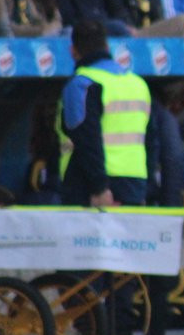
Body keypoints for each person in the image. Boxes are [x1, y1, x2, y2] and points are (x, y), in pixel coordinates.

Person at [58, 19, 152, 207]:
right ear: (108, 47)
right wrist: (144, 189)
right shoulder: (138, 84)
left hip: (95, 186)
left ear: (73, 51)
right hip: (135, 184)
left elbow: (87, 140)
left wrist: (99, 188)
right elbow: (152, 141)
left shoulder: (82, 84)